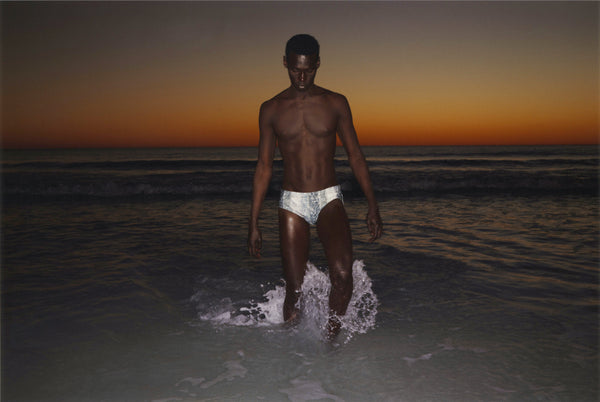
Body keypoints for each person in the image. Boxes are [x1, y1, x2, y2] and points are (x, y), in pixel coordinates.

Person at [248, 34, 382, 339]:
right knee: (294, 290)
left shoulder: (335, 103)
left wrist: (373, 205)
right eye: (295, 70)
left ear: (318, 64)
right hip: (292, 203)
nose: (301, 77)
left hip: (328, 198)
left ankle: (330, 343)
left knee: (343, 278)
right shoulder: (271, 109)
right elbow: (264, 166)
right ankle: (293, 352)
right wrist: (253, 223)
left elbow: (355, 156)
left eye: (308, 70)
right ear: (285, 63)